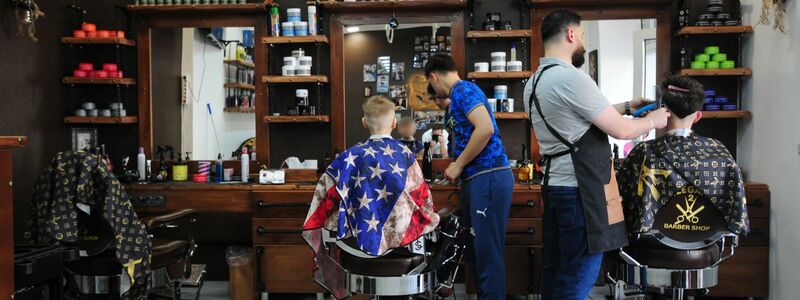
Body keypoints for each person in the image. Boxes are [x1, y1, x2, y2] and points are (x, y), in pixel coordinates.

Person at [522, 9, 671, 300]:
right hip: (580, 192)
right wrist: (654, 120)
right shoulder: (572, 78)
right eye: (583, 35)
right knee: (578, 276)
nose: (582, 41)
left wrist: (629, 105)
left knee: (556, 272)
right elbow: (621, 131)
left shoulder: (535, 82)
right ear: (571, 34)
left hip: (556, 188)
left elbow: (581, 118)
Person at [301, 95, 440, 298]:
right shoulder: (405, 156)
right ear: (394, 123)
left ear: (364, 122)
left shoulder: (348, 157)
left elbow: (324, 200)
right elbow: (423, 200)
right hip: (400, 243)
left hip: (355, 244)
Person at [425, 53, 513, 299]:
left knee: (487, 255)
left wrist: (458, 164)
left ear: (434, 77)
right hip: (480, 178)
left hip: (489, 175)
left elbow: (485, 128)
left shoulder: (462, 90)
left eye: (430, 84)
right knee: (476, 252)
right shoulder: (458, 95)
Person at [617, 75, 749, 236]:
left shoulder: (644, 152)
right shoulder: (719, 151)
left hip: (651, 243)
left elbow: (620, 198)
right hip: (706, 243)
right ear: (698, 116)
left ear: (661, 112)